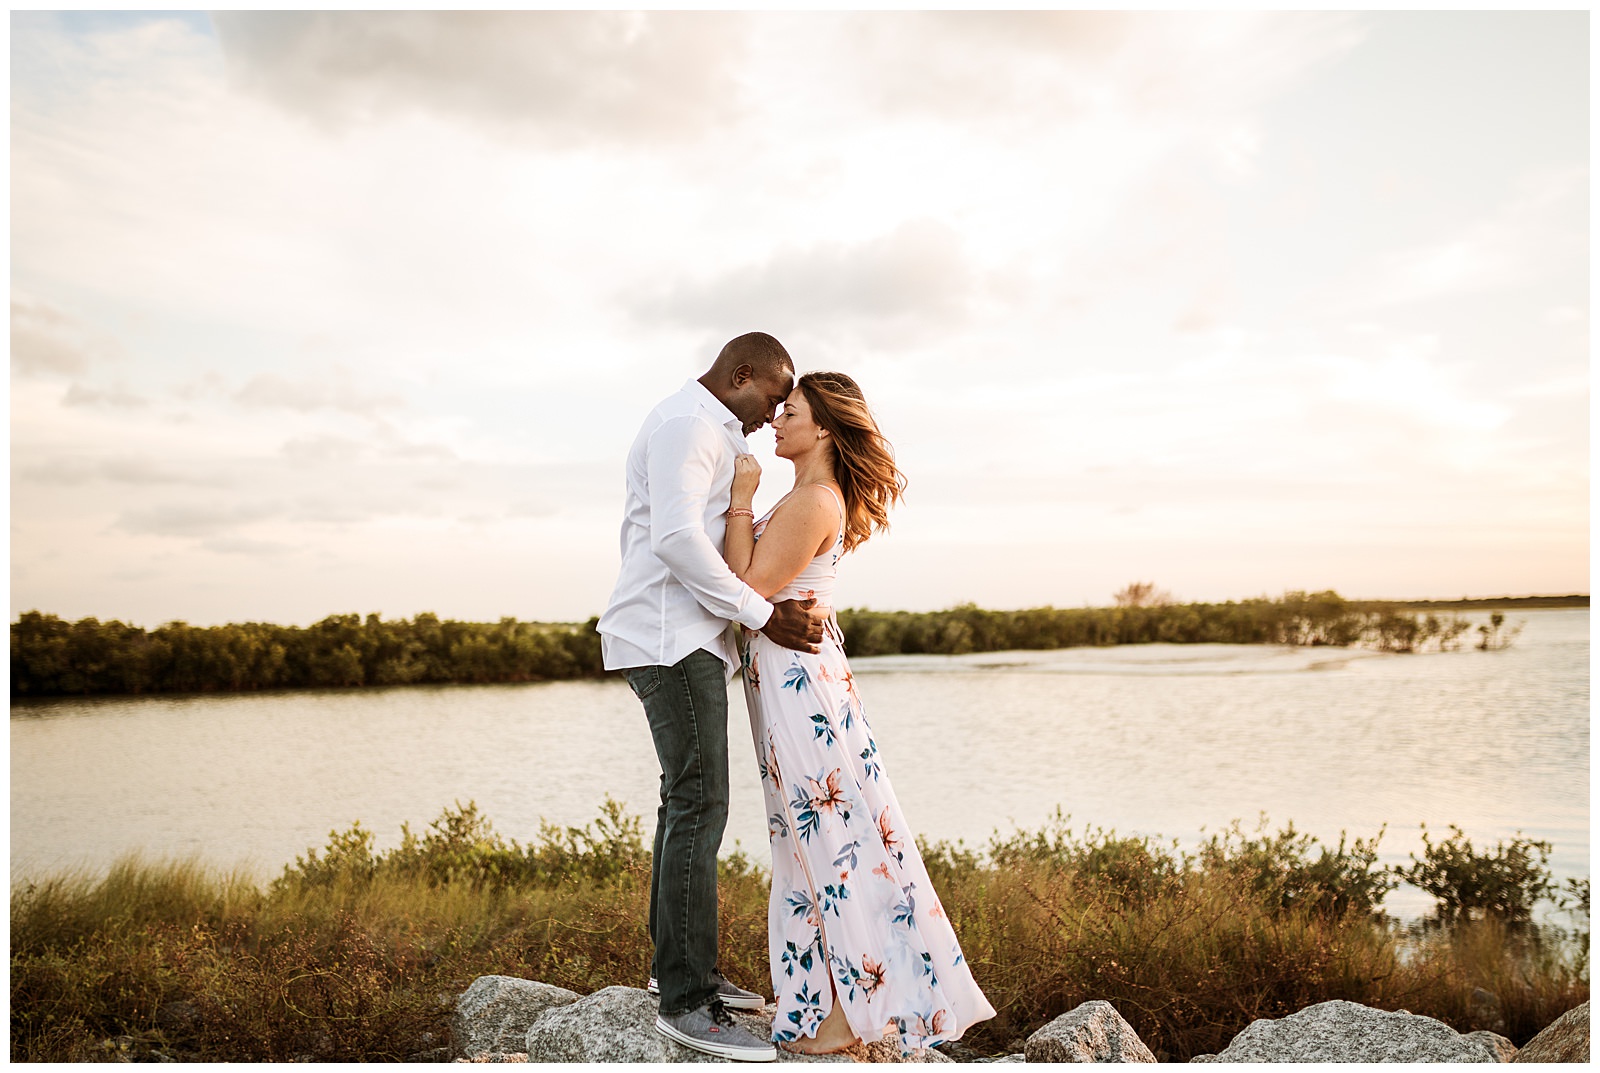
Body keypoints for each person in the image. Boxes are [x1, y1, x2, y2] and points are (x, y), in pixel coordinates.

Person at [721, 371, 996, 1056]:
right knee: (812, 842)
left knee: (831, 845)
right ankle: (823, 1000)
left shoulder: (814, 500)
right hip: (788, 683)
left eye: (791, 411)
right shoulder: (806, 496)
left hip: (801, 690)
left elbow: (743, 589)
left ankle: (851, 1013)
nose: (776, 419)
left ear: (822, 428)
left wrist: (736, 501)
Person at [597, 332, 828, 1062]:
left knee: (685, 801)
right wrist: (763, 613)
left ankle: (685, 972)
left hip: (682, 635)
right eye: (773, 394)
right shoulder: (689, 425)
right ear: (741, 373)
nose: (774, 411)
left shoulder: (708, 426)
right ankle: (686, 1001)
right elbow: (672, 539)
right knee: (701, 802)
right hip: (669, 638)